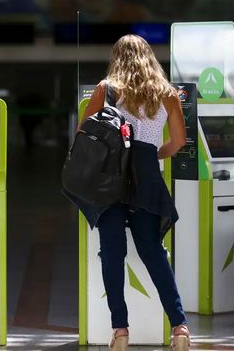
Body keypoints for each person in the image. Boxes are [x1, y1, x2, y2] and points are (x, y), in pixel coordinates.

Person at [78, 35, 189, 351]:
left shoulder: (106, 90)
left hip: (111, 176)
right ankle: (179, 328)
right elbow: (179, 142)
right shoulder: (167, 94)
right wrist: (152, 155)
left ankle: (121, 331)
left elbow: (82, 133)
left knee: (112, 252)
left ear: (117, 58)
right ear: (150, 57)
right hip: (147, 176)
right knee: (153, 251)